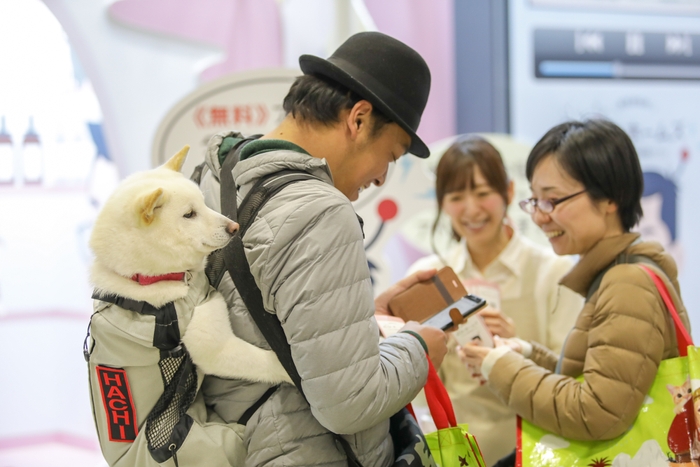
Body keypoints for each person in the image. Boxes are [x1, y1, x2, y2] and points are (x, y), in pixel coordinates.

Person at [198, 32, 448, 467]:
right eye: (390, 154)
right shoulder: (321, 210)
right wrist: (419, 348)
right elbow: (348, 403)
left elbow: (264, 325)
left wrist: (363, 322)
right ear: (358, 119)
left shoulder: (215, 173)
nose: (381, 178)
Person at [459, 119, 692, 466]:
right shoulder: (618, 273)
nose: (539, 217)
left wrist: (501, 367)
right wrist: (525, 352)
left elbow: (598, 411)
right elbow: (604, 377)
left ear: (612, 197)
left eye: (552, 200)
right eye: (534, 201)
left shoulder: (627, 283)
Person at [407, 135, 582, 465]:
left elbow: (573, 378)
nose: (471, 209)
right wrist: (433, 347)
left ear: (509, 193)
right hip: (454, 453)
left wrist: (519, 348)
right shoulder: (429, 277)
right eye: (456, 196)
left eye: (483, 193)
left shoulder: (553, 272)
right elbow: (417, 393)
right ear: (442, 203)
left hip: (536, 450)